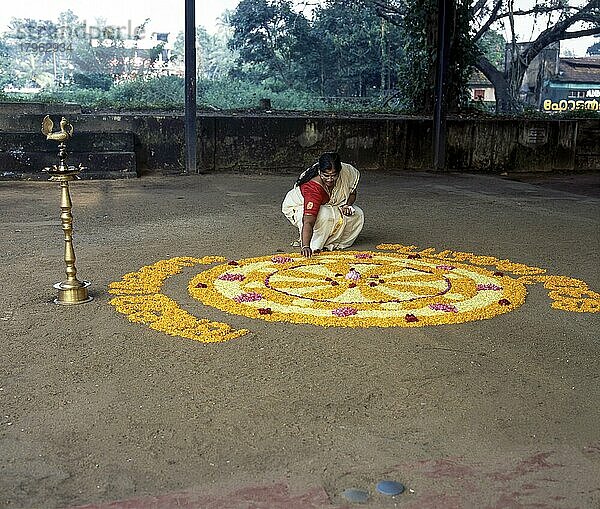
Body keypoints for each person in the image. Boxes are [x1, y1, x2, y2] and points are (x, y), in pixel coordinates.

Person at [282, 152, 364, 257]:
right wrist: (305, 246)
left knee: (357, 214)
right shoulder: (313, 189)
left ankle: (330, 243)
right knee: (324, 215)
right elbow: (308, 221)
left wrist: (347, 205)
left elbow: (352, 192)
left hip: (329, 204)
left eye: (334, 175)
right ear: (320, 172)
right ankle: (313, 245)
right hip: (299, 207)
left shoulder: (346, 172)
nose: (330, 179)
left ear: (339, 172)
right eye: (326, 175)